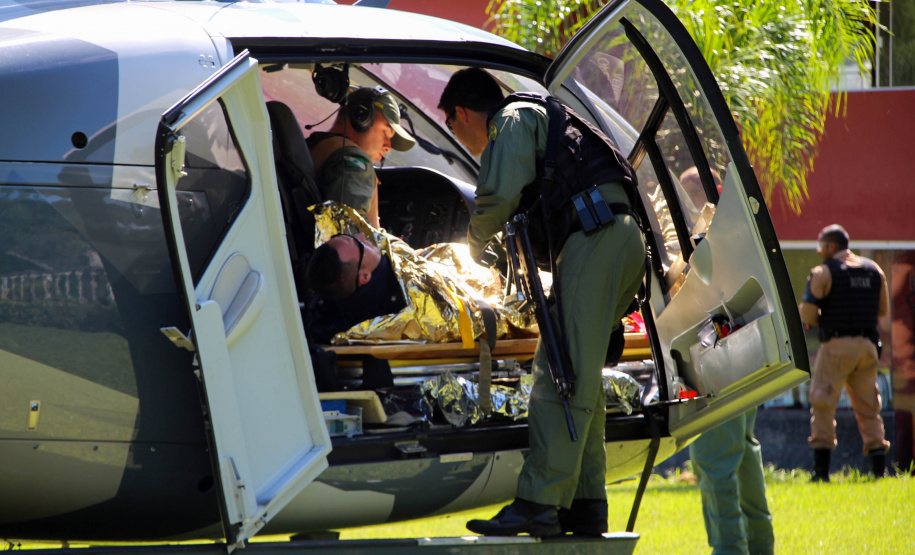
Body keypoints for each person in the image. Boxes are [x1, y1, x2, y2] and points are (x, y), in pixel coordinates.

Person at [438, 68, 646, 537]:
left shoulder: (512, 119)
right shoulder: (542, 117)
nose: (460, 137)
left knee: (559, 372)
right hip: (613, 238)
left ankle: (537, 502)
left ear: (463, 114)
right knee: (580, 373)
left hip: (595, 238)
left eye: (452, 126)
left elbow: (498, 196)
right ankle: (584, 503)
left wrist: (474, 243)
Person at [799, 224, 891, 481]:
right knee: (869, 408)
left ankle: (821, 473)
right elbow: (882, 312)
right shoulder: (874, 270)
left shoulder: (824, 272)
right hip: (867, 349)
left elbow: (807, 315)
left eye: (821, 247)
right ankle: (878, 471)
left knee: (823, 404)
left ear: (831, 247)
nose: (819, 253)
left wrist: (823, 315)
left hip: (836, 348)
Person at [307, 86, 415, 227]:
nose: (388, 147)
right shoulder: (353, 161)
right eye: (385, 133)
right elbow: (348, 239)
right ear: (361, 117)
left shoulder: (315, 144)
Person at [689, 409, 775, 555]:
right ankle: (758, 547)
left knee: (714, 455)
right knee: (740, 444)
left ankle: (730, 549)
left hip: (715, 391)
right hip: (736, 389)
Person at [305, 231, 406, 344]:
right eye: (360, 244)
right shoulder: (403, 298)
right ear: (365, 276)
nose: (361, 235)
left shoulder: (332, 301)